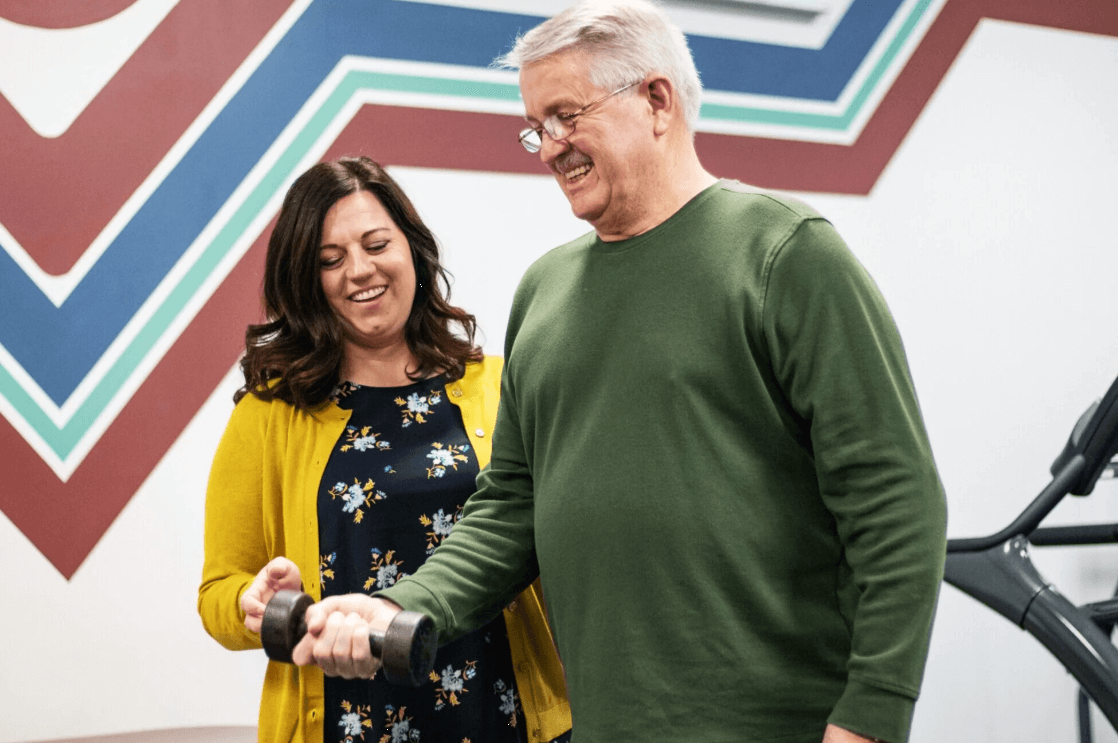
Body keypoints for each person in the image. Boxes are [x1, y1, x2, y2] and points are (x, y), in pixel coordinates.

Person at [288, 3, 948, 743]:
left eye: (566, 116)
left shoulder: (785, 255)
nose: (547, 147)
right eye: (536, 126)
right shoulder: (545, 289)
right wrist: (406, 605)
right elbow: (512, 504)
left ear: (657, 101)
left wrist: (872, 715)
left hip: (780, 723)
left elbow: (894, 503)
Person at [197, 156, 572, 743]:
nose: (359, 271)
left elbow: (543, 546)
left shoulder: (498, 387)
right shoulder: (270, 414)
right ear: (306, 281)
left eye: (376, 244)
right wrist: (259, 603)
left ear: (413, 251)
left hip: (499, 713)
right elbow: (218, 596)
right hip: (345, 721)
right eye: (330, 260)